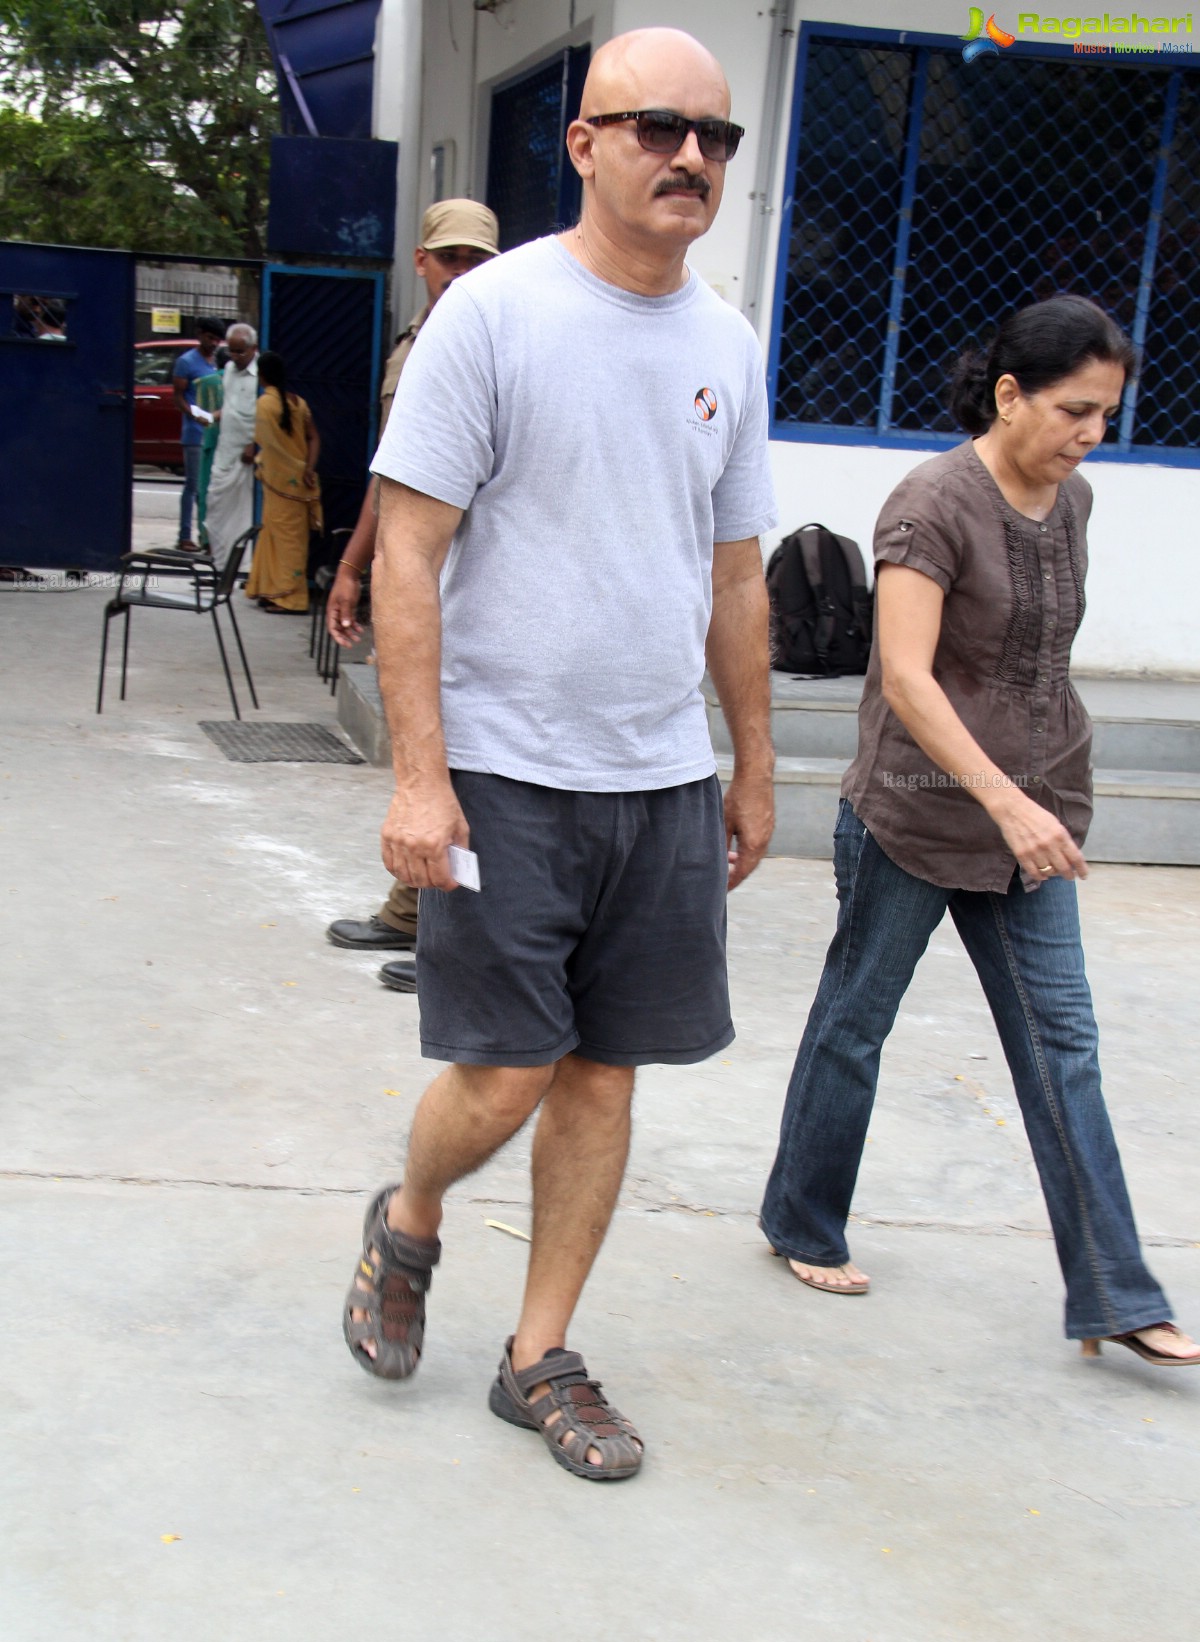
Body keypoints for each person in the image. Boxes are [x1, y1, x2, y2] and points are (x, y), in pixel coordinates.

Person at [341, 27, 777, 1480]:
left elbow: (733, 578)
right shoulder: (497, 317)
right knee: (510, 1071)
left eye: (712, 138)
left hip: (658, 779)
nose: (689, 159)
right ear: (584, 144)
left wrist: (753, 764)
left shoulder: (725, 344)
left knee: (605, 1076)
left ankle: (539, 1358)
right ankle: (409, 1217)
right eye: (657, 129)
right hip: (508, 770)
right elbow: (410, 549)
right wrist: (419, 774)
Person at [759, 295, 1199, 1370]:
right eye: (1072, 411)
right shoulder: (930, 505)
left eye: (1106, 414)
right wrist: (998, 796)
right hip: (914, 811)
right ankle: (802, 1220)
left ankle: (1114, 1291)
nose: (1090, 434)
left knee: (1066, 1048)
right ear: (1009, 395)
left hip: (1034, 822)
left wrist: (1028, 802)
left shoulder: (1075, 500)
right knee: (855, 1025)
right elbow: (904, 675)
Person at [324, 199, 501, 993]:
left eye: (477, 259)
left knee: (470, 757)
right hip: (426, 579)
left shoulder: (503, 340)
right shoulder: (416, 351)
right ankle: (412, 909)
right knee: (430, 745)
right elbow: (396, 482)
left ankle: (451, 938)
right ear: (422, 262)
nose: (463, 272)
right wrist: (357, 565)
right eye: (450, 257)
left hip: (481, 583)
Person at [244, 350, 321, 614]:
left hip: (278, 484)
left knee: (281, 542)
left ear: (262, 376)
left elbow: (263, 445)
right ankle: (273, 592)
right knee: (282, 539)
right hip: (298, 484)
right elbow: (314, 438)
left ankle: (292, 599)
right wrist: (309, 468)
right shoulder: (298, 403)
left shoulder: (264, 405)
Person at [203, 323, 259, 573]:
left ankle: (243, 567)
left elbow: (267, 413)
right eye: (232, 351)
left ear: (253, 349)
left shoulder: (261, 375)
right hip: (225, 451)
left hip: (247, 457)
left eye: (240, 352)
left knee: (246, 514)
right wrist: (212, 416)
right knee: (215, 507)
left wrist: (254, 442)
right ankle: (220, 564)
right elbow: (229, 408)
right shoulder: (227, 370)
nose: (235, 357)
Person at [172, 318, 224, 552]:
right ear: (200, 335)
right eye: (210, 338)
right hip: (195, 433)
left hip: (215, 433)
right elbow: (179, 397)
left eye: (217, 340)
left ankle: (207, 535)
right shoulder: (186, 362)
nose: (213, 343)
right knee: (193, 485)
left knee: (210, 488)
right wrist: (196, 415)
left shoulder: (216, 362)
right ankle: (184, 536)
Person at [194, 346, 229, 554]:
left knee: (207, 492)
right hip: (234, 447)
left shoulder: (207, 382)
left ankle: (207, 542)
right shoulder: (246, 383)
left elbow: (201, 414)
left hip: (211, 442)